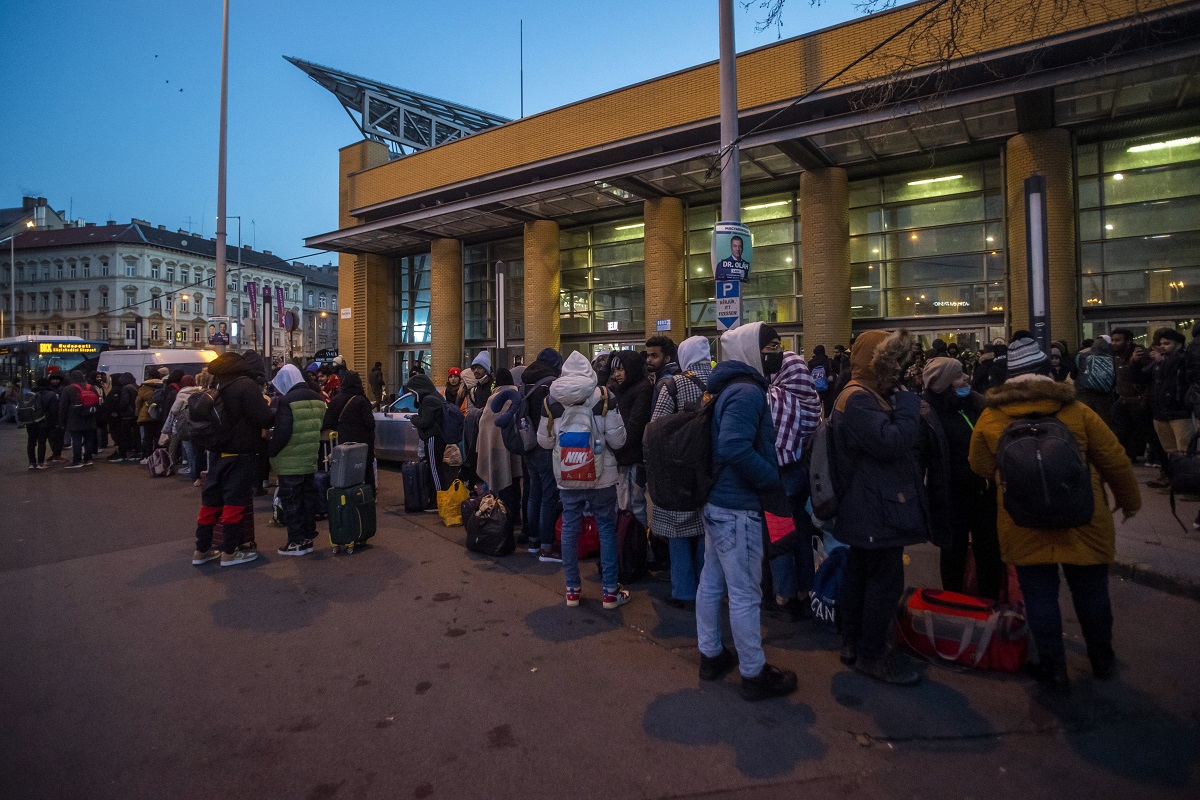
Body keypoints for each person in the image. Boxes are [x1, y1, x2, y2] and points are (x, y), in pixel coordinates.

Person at [969, 338, 1140, 693]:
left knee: (1040, 596)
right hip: (1082, 517)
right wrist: (1129, 501)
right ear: (1049, 373)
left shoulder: (991, 415)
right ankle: (1101, 658)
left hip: (1022, 521)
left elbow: (981, 466)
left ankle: (1053, 667)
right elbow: (1115, 460)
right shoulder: (1076, 411)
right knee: (1091, 593)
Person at [696, 321, 796, 701]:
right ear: (751, 352)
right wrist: (771, 476)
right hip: (737, 508)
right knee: (744, 594)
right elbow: (734, 446)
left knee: (713, 583)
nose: (777, 352)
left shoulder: (726, 389)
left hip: (720, 504)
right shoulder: (747, 392)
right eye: (770, 345)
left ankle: (711, 655)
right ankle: (753, 674)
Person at [832, 328, 929, 686]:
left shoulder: (865, 395)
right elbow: (889, 442)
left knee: (861, 575)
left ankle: (853, 643)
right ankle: (872, 654)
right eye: (893, 365)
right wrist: (907, 410)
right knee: (883, 583)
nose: (899, 374)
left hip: (872, 504)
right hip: (874, 507)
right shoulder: (858, 398)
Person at [536, 350, 628, 609]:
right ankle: (610, 592)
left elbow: (544, 441)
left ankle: (572, 591)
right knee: (607, 529)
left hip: (568, 474)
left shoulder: (552, 399)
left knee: (569, 529)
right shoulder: (603, 396)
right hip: (601, 475)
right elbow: (618, 440)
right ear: (590, 371)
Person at [922, 357, 1003, 600]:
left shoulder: (978, 404)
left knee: (990, 553)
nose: (966, 378)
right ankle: (954, 605)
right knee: (953, 555)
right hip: (952, 497)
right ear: (944, 383)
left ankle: (989, 606)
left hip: (985, 494)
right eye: (958, 375)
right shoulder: (929, 414)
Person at [192, 352, 275, 567]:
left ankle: (201, 550)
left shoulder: (218, 386)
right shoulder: (245, 386)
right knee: (234, 502)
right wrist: (276, 411)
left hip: (217, 453)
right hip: (240, 453)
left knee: (211, 503)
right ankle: (230, 551)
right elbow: (263, 418)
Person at [648, 335, 713, 608]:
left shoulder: (674, 385)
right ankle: (706, 588)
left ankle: (684, 591)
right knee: (704, 529)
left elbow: (655, 427)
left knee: (678, 530)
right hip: (712, 464)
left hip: (679, 466)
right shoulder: (721, 382)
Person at [765, 349, 823, 619]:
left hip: (784, 474)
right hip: (803, 473)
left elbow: (777, 444)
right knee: (801, 533)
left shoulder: (780, 398)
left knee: (780, 536)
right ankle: (804, 588)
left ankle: (783, 594)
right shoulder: (811, 396)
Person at [269, 364, 326, 557]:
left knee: (291, 501)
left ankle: (296, 541)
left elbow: (283, 432)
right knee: (307, 499)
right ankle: (307, 538)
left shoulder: (287, 401)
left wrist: (272, 451)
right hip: (310, 457)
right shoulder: (318, 398)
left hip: (290, 460)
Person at [519, 348, 564, 559]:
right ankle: (547, 546)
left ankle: (533, 541)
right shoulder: (551, 384)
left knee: (533, 493)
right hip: (545, 444)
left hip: (527, 444)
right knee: (548, 496)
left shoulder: (525, 381)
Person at [1139, 327, 1191, 490]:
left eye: (1167, 343)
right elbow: (1142, 377)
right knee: (1170, 450)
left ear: (1178, 344)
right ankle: (1173, 480)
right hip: (1160, 412)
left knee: (1184, 450)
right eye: (1160, 343)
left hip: (1179, 412)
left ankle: (1187, 483)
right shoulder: (1158, 362)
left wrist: (1162, 360)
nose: (1162, 346)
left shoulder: (1183, 359)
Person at [609, 350, 652, 528]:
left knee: (636, 505)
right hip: (622, 457)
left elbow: (635, 426)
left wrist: (616, 445)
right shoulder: (619, 390)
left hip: (634, 458)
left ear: (631, 368)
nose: (617, 374)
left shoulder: (643, 389)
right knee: (622, 505)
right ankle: (626, 547)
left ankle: (638, 548)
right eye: (614, 371)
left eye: (621, 369)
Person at [477, 368, 522, 524]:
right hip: (516, 449)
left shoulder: (494, 399)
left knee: (502, 486)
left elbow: (485, 426)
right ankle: (516, 516)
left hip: (496, 449)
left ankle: (503, 519)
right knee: (515, 483)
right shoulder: (519, 396)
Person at [323, 370, 377, 494]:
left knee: (347, 470)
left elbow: (328, 423)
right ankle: (368, 496)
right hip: (364, 443)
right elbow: (371, 423)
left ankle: (348, 498)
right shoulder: (362, 400)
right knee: (366, 470)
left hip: (344, 442)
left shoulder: (336, 400)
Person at [407, 372, 450, 495]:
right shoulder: (434, 397)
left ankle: (438, 498)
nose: (411, 394)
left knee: (434, 469)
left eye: (413, 391)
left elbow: (425, 421)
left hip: (432, 438)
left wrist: (413, 418)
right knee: (437, 467)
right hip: (438, 437)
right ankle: (440, 497)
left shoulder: (429, 401)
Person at [160, 373, 205, 486]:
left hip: (185, 425)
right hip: (200, 425)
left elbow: (174, 411)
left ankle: (194, 474)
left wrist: (166, 428)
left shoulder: (182, 393)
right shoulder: (201, 391)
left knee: (189, 450)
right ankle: (201, 474)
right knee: (199, 451)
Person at [1076, 336, 1117, 430]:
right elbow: (1114, 377)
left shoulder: (1082, 356)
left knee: (1084, 420)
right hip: (1104, 395)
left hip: (1084, 393)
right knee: (1105, 423)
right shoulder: (1112, 358)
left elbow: (1074, 375)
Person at [60, 370, 98, 468]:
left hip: (74, 418)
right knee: (89, 439)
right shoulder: (91, 387)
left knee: (76, 440)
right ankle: (88, 459)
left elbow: (63, 406)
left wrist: (62, 421)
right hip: (90, 417)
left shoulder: (68, 389)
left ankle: (77, 460)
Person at [25, 378, 58, 470]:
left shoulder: (30, 394)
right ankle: (40, 463)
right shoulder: (51, 394)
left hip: (30, 421)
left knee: (31, 442)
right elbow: (53, 410)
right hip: (43, 421)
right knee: (42, 442)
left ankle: (31, 463)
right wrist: (55, 422)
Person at [136, 366, 167, 462]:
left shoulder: (144, 387)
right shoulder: (163, 386)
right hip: (160, 414)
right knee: (158, 436)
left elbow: (138, 401)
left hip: (147, 415)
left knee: (147, 437)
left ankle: (147, 456)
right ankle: (159, 456)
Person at [644, 335, 680, 404]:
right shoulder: (661, 376)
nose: (648, 360)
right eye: (648, 356)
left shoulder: (665, 382)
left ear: (667, 358)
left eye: (654, 356)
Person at [808, 344, 833, 417]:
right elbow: (830, 372)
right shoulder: (827, 360)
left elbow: (809, 374)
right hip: (826, 386)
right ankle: (826, 419)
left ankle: (816, 418)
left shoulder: (811, 362)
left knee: (816, 404)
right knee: (827, 405)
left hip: (815, 387)